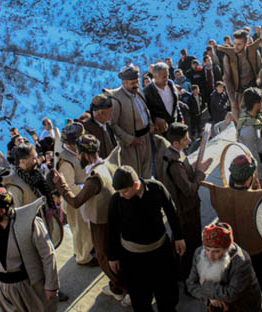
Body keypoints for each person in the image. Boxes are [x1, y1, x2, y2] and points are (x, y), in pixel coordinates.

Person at [52, 134, 129, 305]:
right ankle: (116, 287)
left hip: (101, 224)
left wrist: (61, 184)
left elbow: (75, 202)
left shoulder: (94, 179)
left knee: (104, 259)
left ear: (85, 155)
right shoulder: (106, 164)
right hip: (115, 218)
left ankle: (126, 289)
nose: (78, 156)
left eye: (79, 153)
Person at [107, 166, 185, 312]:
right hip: (133, 259)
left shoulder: (156, 188)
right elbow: (112, 229)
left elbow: (171, 211)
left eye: (125, 191)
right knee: (140, 300)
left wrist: (179, 237)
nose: (122, 195)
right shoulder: (116, 200)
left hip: (160, 253)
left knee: (167, 295)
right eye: (119, 192)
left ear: (136, 185)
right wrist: (113, 256)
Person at [201, 155, 262, 310]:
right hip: (258, 254)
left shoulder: (218, 193)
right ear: (249, 178)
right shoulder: (261, 196)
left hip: (232, 254)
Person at [156, 123, 211, 283]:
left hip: (182, 211)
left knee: (182, 246)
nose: (189, 141)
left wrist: (192, 169)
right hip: (186, 212)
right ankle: (189, 281)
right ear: (176, 143)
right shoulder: (175, 164)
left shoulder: (169, 155)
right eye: (185, 139)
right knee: (189, 248)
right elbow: (189, 190)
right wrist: (200, 173)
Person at [186, 223, 262, 312]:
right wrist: (210, 299)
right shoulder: (199, 253)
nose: (210, 256)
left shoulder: (241, 262)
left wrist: (204, 284)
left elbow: (231, 295)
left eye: (216, 251)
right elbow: (191, 284)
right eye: (207, 250)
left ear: (227, 249)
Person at [55, 122, 95, 267]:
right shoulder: (66, 161)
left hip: (84, 198)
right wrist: (90, 187)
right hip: (75, 202)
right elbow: (69, 187)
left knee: (86, 229)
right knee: (80, 231)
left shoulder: (77, 153)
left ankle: (88, 249)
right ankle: (83, 258)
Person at [110, 64, 154, 179]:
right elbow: (113, 125)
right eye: (133, 83)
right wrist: (129, 139)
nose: (136, 85)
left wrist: (150, 125)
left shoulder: (139, 92)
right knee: (134, 174)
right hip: (130, 145)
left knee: (147, 171)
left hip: (145, 138)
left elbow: (146, 110)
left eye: (137, 82)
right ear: (124, 83)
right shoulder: (117, 99)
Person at [219, 29, 261, 120]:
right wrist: (232, 101)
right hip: (238, 95)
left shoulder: (254, 53)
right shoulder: (228, 57)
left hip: (254, 92)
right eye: (234, 43)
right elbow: (227, 79)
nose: (236, 47)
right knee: (241, 123)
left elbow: (260, 71)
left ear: (246, 44)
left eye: (239, 44)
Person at [237, 88, 262, 187]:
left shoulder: (255, 119)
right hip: (259, 169)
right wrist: (260, 177)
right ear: (256, 104)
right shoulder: (248, 128)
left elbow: (261, 136)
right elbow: (252, 156)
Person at [143, 61, 182, 134]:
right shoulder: (147, 92)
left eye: (167, 76)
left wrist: (180, 118)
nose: (166, 79)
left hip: (175, 127)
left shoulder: (171, 84)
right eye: (164, 77)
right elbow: (144, 112)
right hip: (161, 131)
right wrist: (155, 119)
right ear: (155, 77)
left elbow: (175, 104)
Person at [81, 93, 118, 160]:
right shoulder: (88, 131)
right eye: (110, 112)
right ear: (101, 113)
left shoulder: (108, 125)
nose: (112, 114)